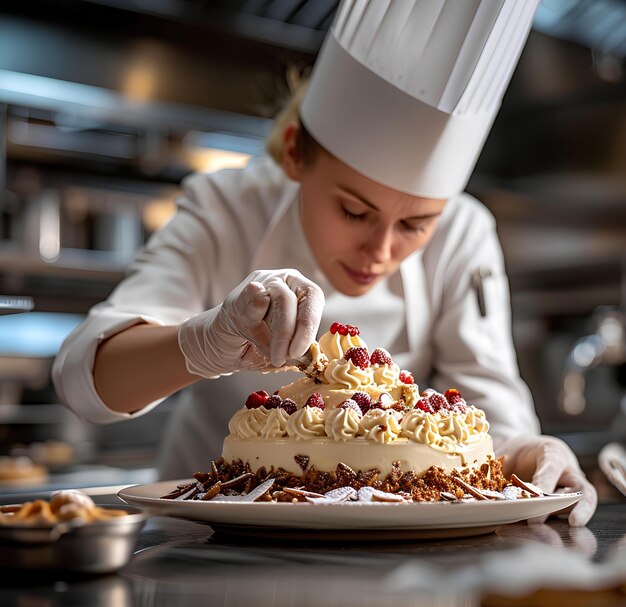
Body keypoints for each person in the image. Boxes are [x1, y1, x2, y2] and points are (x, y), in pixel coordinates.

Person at [53, 0, 597, 525]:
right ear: (294, 151)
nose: (380, 251)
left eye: (415, 225)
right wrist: (202, 343)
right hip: (208, 537)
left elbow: (488, 400)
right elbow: (84, 382)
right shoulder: (227, 209)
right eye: (354, 210)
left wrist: (526, 451)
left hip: (400, 551)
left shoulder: (464, 230)